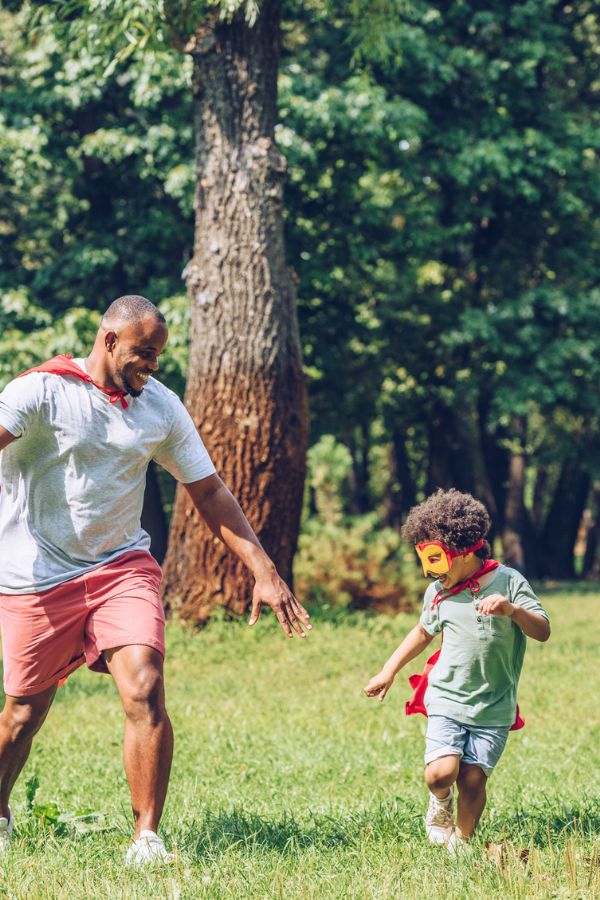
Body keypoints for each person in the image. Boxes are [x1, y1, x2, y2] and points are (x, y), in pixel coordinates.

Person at [0, 294, 311, 866]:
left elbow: (209, 491)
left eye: (160, 354)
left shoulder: (159, 408)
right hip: (35, 575)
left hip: (120, 566)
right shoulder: (39, 392)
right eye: (144, 352)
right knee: (23, 711)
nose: (153, 364)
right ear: (109, 340)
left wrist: (264, 570)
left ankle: (147, 837)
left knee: (144, 682)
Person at [364, 489, 550, 853]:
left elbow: (542, 630)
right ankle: (440, 804)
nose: (430, 571)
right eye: (425, 559)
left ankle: (461, 845)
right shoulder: (437, 592)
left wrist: (513, 611)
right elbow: (422, 632)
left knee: (473, 780)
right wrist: (388, 670)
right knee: (441, 773)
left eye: (436, 559)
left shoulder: (509, 581)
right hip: (447, 695)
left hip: (494, 704)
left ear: (465, 553)